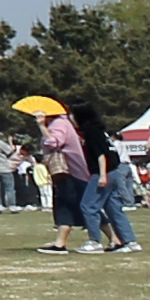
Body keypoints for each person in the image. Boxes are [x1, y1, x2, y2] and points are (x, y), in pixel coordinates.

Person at [42, 106, 94, 250]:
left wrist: (41, 126)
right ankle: (114, 238)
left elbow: (52, 142)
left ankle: (60, 244)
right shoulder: (64, 123)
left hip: (69, 171)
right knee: (82, 205)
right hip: (75, 171)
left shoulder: (58, 123)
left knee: (65, 205)